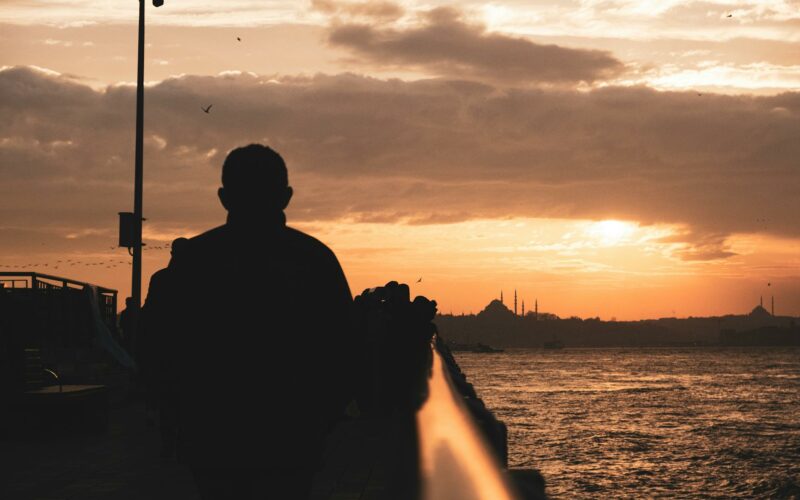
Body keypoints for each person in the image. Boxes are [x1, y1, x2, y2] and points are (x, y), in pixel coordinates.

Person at [155, 144, 356, 499]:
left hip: (212, 433)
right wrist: (321, 421)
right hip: (291, 434)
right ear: (286, 197)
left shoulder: (193, 262)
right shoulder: (316, 261)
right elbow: (344, 349)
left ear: (223, 197)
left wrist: (178, 418)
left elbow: (160, 346)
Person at [141, 237, 189, 454]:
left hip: (164, 346)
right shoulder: (198, 278)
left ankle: (169, 442)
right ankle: (183, 442)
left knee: (168, 397)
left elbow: (150, 312)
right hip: (187, 348)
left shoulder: (160, 278)